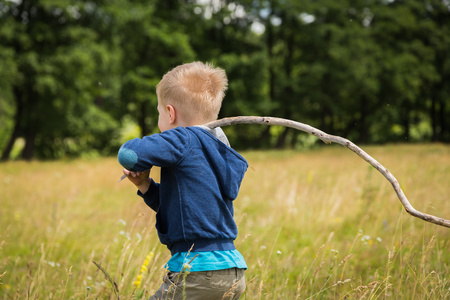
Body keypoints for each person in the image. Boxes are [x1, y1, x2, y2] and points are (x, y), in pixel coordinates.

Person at [118, 62, 248, 300]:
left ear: (170, 113)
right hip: (232, 272)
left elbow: (130, 154)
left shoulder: (183, 138)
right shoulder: (219, 148)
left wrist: (131, 158)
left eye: (159, 113)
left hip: (198, 272)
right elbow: (185, 206)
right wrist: (145, 186)